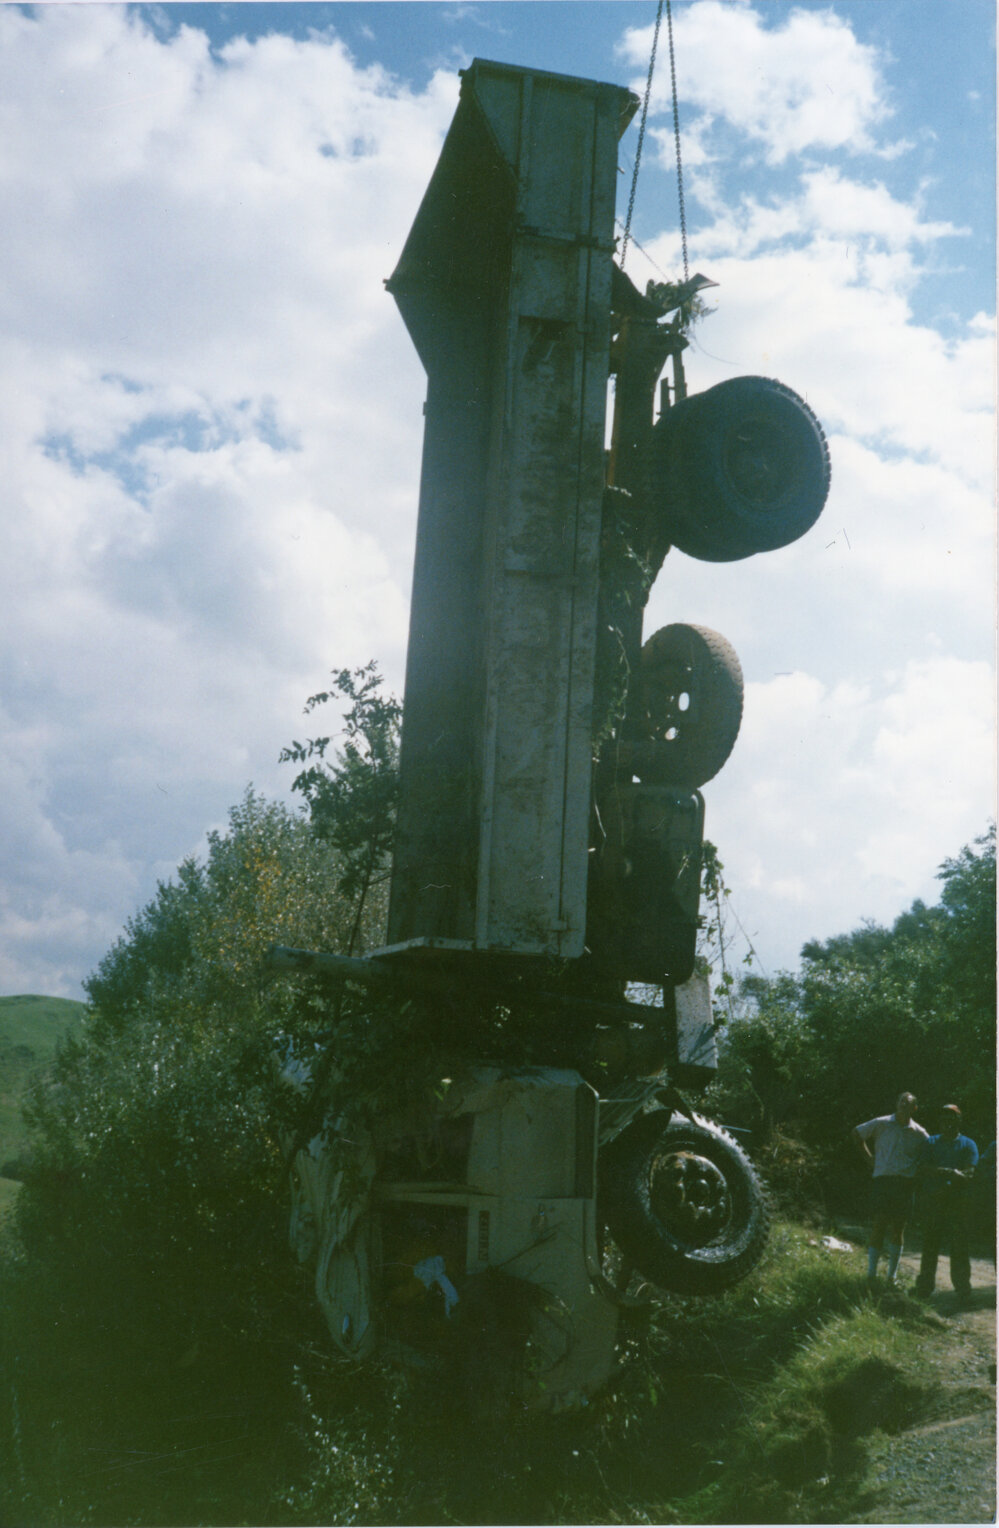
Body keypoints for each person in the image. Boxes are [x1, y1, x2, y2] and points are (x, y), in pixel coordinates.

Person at [852, 1092, 928, 1289]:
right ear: (896, 1104)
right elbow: (857, 1134)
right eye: (901, 1101)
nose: (903, 1105)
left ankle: (891, 1277)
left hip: (904, 1184)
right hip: (883, 1181)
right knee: (879, 1225)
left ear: (914, 1108)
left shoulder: (919, 1133)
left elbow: (929, 1154)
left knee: (898, 1229)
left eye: (908, 1103)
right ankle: (871, 1275)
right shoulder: (882, 1123)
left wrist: (917, 1171)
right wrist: (869, 1160)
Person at [915, 1105, 978, 1304]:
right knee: (930, 1244)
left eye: (951, 1118)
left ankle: (963, 1290)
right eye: (943, 1118)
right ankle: (924, 1288)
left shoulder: (968, 1144)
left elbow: (970, 1172)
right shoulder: (931, 1142)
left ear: (959, 1121)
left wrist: (954, 1178)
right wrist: (947, 1172)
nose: (947, 1122)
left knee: (959, 1246)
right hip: (933, 1201)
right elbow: (922, 1168)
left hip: (957, 1203)